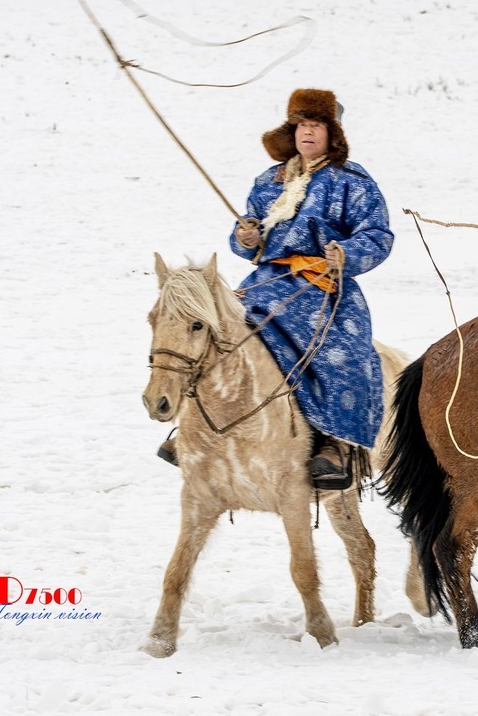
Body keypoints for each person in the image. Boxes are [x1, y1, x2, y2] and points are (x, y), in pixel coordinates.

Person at [157, 88, 393, 490]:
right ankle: (191, 429)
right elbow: (248, 235)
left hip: (325, 288)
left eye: (316, 126)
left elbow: (378, 236)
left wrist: (346, 254)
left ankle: (333, 445)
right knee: (216, 337)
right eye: (301, 125)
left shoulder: (353, 182)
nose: (307, 133)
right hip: (267, 283)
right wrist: (246, 237)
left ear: (331, 134)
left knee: (347, 358)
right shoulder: (269, 181)